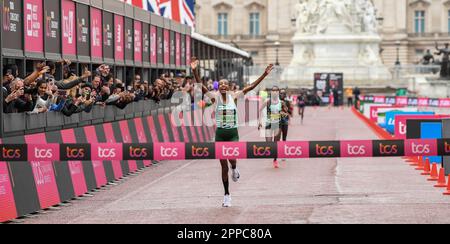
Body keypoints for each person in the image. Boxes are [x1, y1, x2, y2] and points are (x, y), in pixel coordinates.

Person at [191, 57, 274, 208]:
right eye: (220, 84)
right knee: (223, 165)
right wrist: (194, 70)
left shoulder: (234, 96)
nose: (223, 85)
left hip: (233, 134)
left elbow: (251, 86)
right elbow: (200, 86)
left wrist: (264, 74)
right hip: (220, 135)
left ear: (228, 87)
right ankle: (227, 195)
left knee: (232, 161)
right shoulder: (214, 97)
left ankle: (235, 168)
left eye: (225, 84)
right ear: (218, 87)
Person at [258, 86, 290, 168]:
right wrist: (259, 121)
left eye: (276, 91)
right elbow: (260, 110)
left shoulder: (282, 102)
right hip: (269, 124)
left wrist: (284, 113)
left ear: (278, 92)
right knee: (268, 144)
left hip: (277, 124)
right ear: (271, 92)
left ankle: (275, 160)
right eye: (273, 90)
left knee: (276, 143)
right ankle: (274, 154)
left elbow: (286, 111)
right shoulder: (268, 102)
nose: (275, 92)